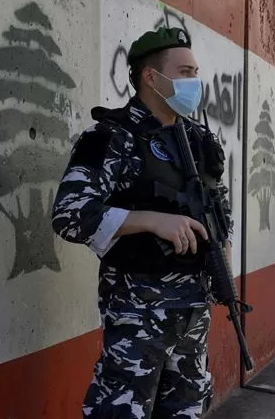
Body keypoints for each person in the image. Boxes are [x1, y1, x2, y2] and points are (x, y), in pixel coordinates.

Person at [51, 27, 232, 418]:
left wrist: (224, 250)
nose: (194, 82)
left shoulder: (199, 140)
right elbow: (68, 213)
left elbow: (219, 206)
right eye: (185, 72)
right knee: (121, 410)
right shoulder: (111, 136)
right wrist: (149, 220)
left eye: (196, 72)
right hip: (138, 311)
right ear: (151, 76)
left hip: (193, 310)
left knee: (187, 409)